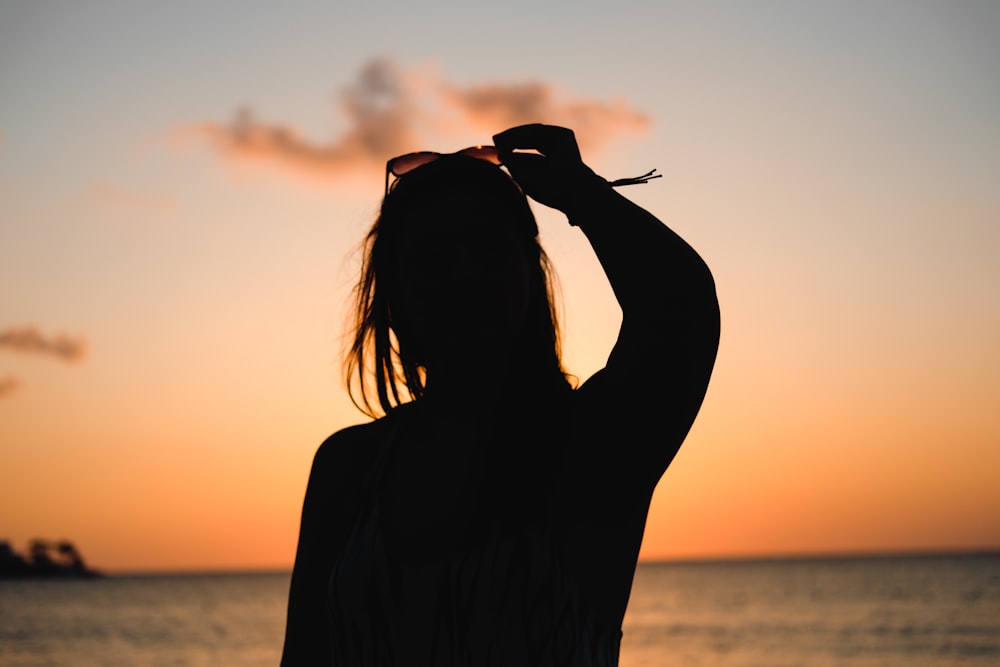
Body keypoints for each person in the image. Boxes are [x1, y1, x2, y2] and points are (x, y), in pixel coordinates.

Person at [280, 124, 720, 665]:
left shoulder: (589, 451)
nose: (463, 276)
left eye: (486, 249)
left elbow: (679, 310)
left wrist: (581, 192)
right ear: (393, 292)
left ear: (529, 278)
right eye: (433, 256)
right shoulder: (347, 468)